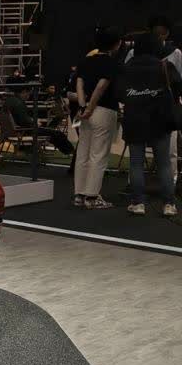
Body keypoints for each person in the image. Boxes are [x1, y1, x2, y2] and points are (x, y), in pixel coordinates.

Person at [119, 33, 181, 216]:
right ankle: (169, 204)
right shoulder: (165, 66)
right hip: (160, 120)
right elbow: (178, 88)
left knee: (136, 163)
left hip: (134, 119)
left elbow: (119, 93)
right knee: (164, 164)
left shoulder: (127, 67)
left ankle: (138, 203)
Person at [124, 15, 182, 184]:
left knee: (168, 153)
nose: (159, 36)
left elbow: (179, 80)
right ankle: (136, 187)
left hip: (161, 109)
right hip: (141, 108)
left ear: (167, 33)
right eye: (156, 32)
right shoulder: (133, 53)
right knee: (139, 155)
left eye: (162, 33)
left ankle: (170, 184)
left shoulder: (175, 53)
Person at [73, 27, 123, 209]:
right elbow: (102, 86)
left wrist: (83, 106)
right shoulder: (111, 63)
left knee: (83, 152)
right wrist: (90, 107)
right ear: (116, 44)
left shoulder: (85, 61)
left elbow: (79, 84)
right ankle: (92, 197)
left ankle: (79, 194)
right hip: (104, 110)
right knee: (98, 154)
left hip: (84, 110)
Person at [4, 86, 74, 155]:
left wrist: (33, 121)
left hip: (21, 130)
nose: (28, 96)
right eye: (28, 94)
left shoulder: (10, 101)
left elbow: (22, 119)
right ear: (23, 92)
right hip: (27, 130)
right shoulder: (18, 103)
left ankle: (69, 151)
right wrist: (34, 122)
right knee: (57, 134)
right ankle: (70, 151)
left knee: (54, 134)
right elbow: (24, 121)